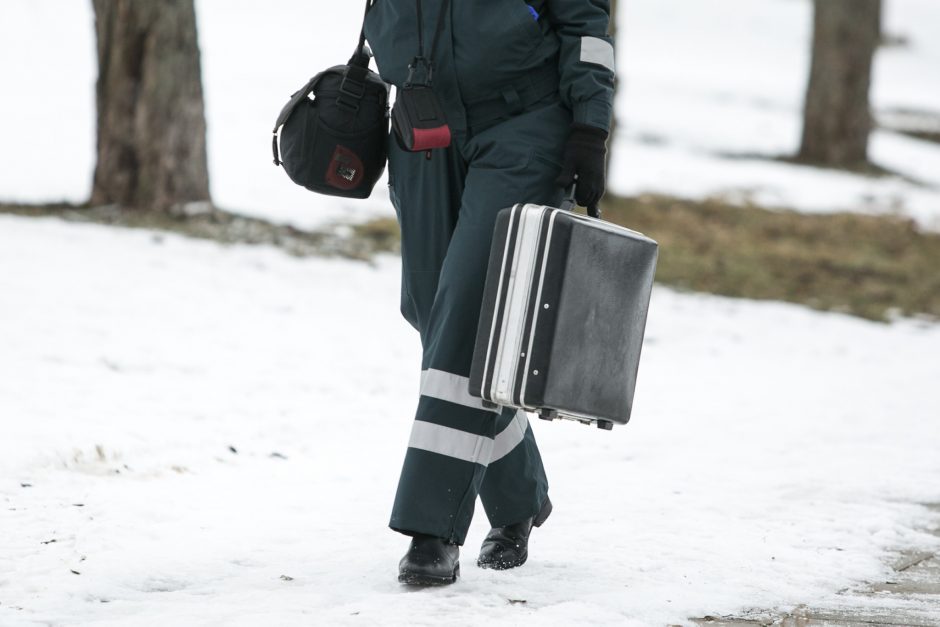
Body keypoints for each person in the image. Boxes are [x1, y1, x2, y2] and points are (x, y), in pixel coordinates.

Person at [363, 0, 615, 585]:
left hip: (522, 124)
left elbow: (586, 25)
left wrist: (591, 123)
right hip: (421, 124)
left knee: (466, 314)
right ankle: (518, 496)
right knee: (429, 310)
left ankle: (432, 530)